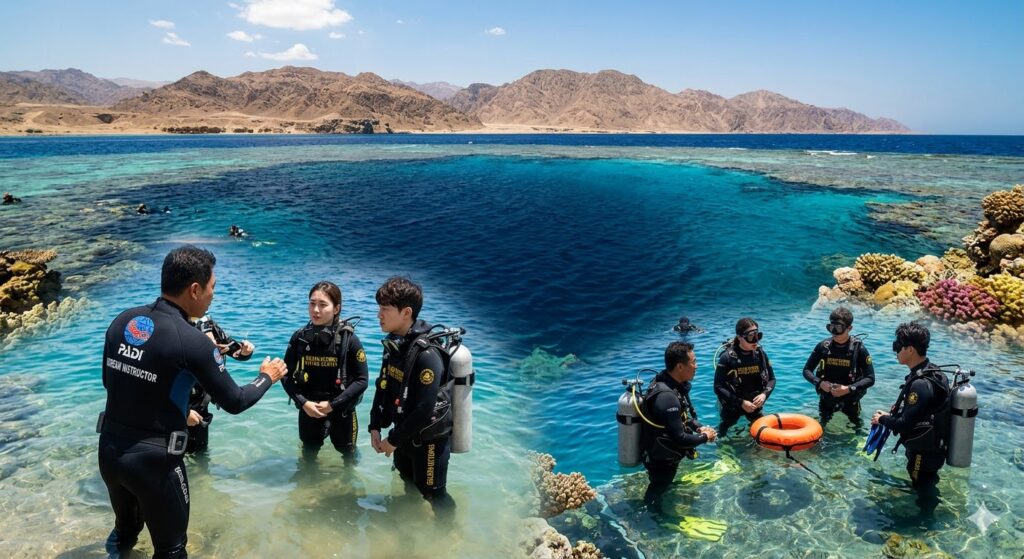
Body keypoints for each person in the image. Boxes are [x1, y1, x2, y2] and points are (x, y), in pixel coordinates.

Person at [97, 245, 288, 558]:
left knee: (126, 531)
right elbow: (235, 401)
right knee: (171, 549)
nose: (214, 295)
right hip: (154, 464)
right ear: (195, 289)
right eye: (212, 288)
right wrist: (267, 376)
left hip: (109, 452)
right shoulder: (193, 340)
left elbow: (111, 383)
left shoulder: (123, 321)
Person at [368, 276, 456, 518]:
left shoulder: (427, 355)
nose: (379, 315)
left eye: (385, 309)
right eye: (379, 308)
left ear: (406, 312)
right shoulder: (395, 346)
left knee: (434, 494)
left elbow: (424, 409)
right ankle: (409, 531)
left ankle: (448, 537)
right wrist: (375, 426)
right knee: (407, 482)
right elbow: (382, 385)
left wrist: (392, 440)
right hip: (403, 435)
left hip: (428, 442)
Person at [281, 281, 368, 461]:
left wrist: (333, 405)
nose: (316, 310)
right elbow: (285, 374)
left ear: (336, 309)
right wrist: (304, 402)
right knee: (308, 455)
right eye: (312, 303)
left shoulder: (349, 340)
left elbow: (362, 380)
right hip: (309, 408)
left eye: (323, 305)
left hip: (342, 409)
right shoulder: (300, 338)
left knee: (348, 455)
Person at [872, 322, 950, 514]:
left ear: (911, 349)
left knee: (922, 490)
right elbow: (920, 414)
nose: (895, 350)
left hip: (923, 453)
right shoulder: (933, 371)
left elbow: (904, 425)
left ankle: (922, 529)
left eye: (898, 346)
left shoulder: (920, 384)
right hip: (934, 447)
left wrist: (881, 419)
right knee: (927, 482)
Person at [640, 341, 717, 513]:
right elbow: (680, 439)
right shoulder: (667, 397)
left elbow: (681, 418)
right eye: (693, 362)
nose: (696, 366)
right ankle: (650, 521)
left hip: (659, 453)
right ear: (680, 366)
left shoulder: (668, 383)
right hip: (660, 460)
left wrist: (698, 427)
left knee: (662, 485)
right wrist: (706, 437)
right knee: (657, 489)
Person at [185, 315, 255, 454]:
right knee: (174, 453)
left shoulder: (208, 324)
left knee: (200, 453)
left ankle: (202, 475)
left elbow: (234, 351)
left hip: (201, 403)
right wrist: (184, 412)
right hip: (181, 402)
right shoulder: (179, 326)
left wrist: (245, 352)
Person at [802, 307, 875, 429]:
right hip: (827, 398)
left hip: (850, 398)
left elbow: (870, 378)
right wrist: (819, 383)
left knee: (856, 427)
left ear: (849, 328)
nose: (834, 332)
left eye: (839, 328)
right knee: (822, 428)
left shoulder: (859, 349)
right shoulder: (823, 347)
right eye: (831, 327)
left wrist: (848, 389)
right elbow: (806, 370)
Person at [713, 317, 776, 437]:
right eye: (751, 336)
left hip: (754, 405)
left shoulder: (760, 354)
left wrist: (764, 395)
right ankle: (722, 453)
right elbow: (717, 387)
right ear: (740, 337)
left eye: (758, 335)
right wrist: (741, 403)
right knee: (725, 430)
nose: (756, 340)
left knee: (762, 431)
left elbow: (772, 379)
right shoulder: (727, 358)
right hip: (733, 405)